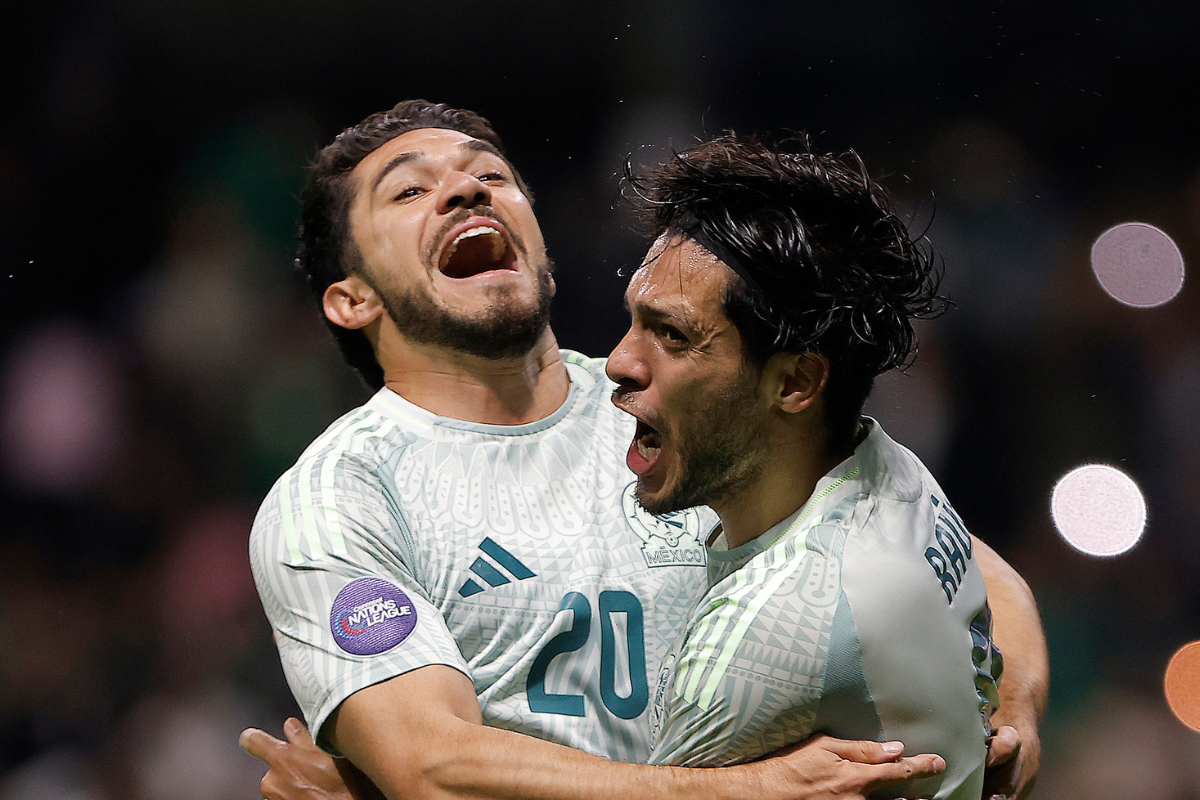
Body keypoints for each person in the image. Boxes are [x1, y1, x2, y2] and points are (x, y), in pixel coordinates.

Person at [239, 100, 1046, 800]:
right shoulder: (343, 498)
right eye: (410, 191)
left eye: (491, 175)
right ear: (352, 298)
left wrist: (1013, 706)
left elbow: (946, 559)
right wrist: (744, 791)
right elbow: (431, 765)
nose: (466, 190)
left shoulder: (682, 395)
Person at [604, 134, 1015, 799]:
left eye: (673, 335)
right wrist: (1017, 703)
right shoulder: (891, 465)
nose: (619, 362)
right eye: (633, 321)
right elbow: (1001, 577)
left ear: (795, 383)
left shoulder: (766, 632)